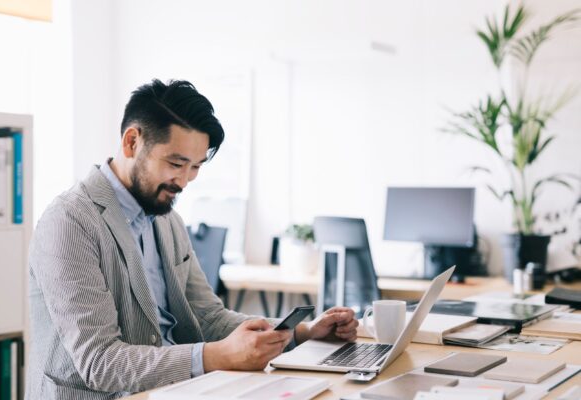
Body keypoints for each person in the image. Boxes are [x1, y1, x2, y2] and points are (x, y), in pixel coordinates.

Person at [26, 79, 358, 400]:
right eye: (176, 163)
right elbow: (100, 363)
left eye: (196, 167)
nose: (184, 181)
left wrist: (301, 333)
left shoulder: (167, 219)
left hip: (177, 391)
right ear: (131, 142)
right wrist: (215, 356)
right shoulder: (70, 222)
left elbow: (208, 318)